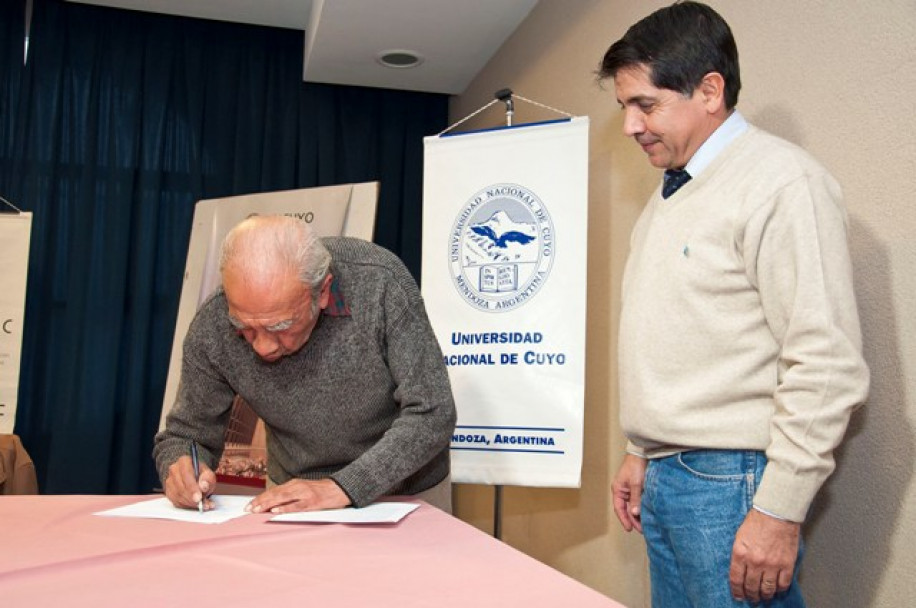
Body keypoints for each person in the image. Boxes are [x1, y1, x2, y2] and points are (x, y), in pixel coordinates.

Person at [598, 2, 869, 606]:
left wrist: (778, 508)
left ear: (710, 90)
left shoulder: (781, 183)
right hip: (670, 477)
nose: (631, 126)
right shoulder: (671, 195)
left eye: (646, 105)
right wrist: (642, 452)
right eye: (625, 108)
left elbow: (826, 364)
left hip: (730, 483)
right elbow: (686, 338)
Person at [154, 215, 457, 514]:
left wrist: (344, 487)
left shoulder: (379, 282)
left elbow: (432, 411)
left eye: (280, 326)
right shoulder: (212, 324)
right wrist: (179, 464)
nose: (263, 347)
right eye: (244, 327)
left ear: (323, 291)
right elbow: (186, 435)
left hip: (404, 492)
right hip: (293, 496)